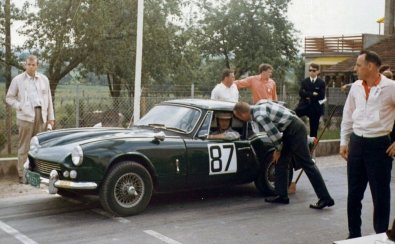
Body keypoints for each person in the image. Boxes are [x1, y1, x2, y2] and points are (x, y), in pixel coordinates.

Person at [233, 101, 334, 208]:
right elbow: (288, 112)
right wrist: (279, 150)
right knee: (281, 162)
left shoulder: (259, 116)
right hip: (290, 128)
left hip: (295, 130)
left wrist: (277, 150)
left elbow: (274, 135)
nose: (240, 120)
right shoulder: (259, 105)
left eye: (238, 117)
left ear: (243, 114)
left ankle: (325, 198)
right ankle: (282, 195)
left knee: (307, 164)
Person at [339, 50, 395, 239]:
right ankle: (353, 234)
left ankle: (380, 237)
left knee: (380, 195)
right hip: (356, 143)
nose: (355, 69)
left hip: (379, 145)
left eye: (358, 65)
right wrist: (343, 141)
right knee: (354, 193)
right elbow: (348, 114)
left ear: (370, 66)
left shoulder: (391, 87)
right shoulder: (355, 87)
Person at [5, 55, 55, 183]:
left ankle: (36, 176)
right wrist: (20, 106)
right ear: (25, 65)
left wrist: (51, 118)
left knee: (38, 147)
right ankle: (22, 174)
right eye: (28, 64)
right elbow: (9, 98)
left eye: (33, 65)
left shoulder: (44, 79)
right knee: (25, 147)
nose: (31, 67)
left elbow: (49, 99)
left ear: (37, 65)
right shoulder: (18, 80)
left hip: (41, 115)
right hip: (25, 117)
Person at [294, 63, 325, 138]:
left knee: (314, 130)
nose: (311, 72)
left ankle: (313, 146)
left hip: (315, 107)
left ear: (318, 71)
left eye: (313, 70)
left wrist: (307, 94)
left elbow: (321, 96)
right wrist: (312, 94)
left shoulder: (321, 83)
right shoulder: (304, 81)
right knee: (293, 115)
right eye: (310, 70)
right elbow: (301, 93)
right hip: (304, 105)